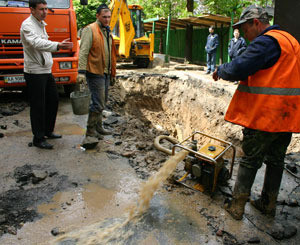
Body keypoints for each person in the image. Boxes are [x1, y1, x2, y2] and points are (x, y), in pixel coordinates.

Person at [213, 5, 300, 220]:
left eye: (245, 29)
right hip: (286, 117)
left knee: (250, 159)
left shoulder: (266, 42)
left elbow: (240, 66)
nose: (245, 34)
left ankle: (236, 207)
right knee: (276, 160)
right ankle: (268, 204)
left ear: (256, 23)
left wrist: (221, 71)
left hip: (264, 115)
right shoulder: (291, 41)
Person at [21, 0, 73, 149]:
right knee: (38, 105)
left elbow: (44, 43)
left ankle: (48, 131)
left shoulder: (40, 24)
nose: (45, 12)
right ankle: (38, 138)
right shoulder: (27, 25)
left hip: (45, 70)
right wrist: (58, 45)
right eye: (41, 9)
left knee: (53, 100)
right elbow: (37, 43)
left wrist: (57, 44)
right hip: (35, 71)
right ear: (32, 10)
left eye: (46, 9)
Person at [77, 3, 117, 149]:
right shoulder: (90, 30)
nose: (107, 19)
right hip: (94, 71)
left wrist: (112, 73)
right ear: (98, 16)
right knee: (97, 103)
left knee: (102, 101)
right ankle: (90, 133)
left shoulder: (107, 31)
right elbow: (83, 51)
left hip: (105, 72)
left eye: (109, 17)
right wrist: (81, 71)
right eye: (104, 17)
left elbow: (110, 54)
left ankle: (99, 127)